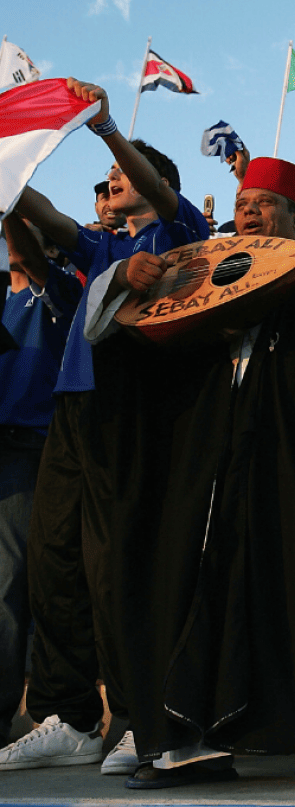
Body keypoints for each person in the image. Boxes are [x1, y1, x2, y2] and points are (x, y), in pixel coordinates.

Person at [82, 155, 295, 791]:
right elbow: (117, 334)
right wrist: (124, 277)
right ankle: (191, 745)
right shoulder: (202, 268)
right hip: (206, 463)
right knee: (191, 584)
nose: (250, 212)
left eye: (265, 204)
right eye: (242, 203)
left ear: (294, 215)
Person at [0, 78, 209, 777]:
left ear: (158, 184)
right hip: (74, 409)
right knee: (53, 560)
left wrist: (108, 128)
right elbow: (48, 218)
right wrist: (6, 171)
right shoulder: (100, 247)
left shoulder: (181, 232)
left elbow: (156, 189)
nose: (114, 179)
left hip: (133, 410)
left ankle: (135, 713)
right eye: (112, 174)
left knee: (116, 565)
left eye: (126, 174)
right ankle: (69, 715)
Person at [0, 217, 81, 747]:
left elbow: (29, 257)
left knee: (9, 586)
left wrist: (9, 199)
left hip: (31, 449)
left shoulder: (58, 288)